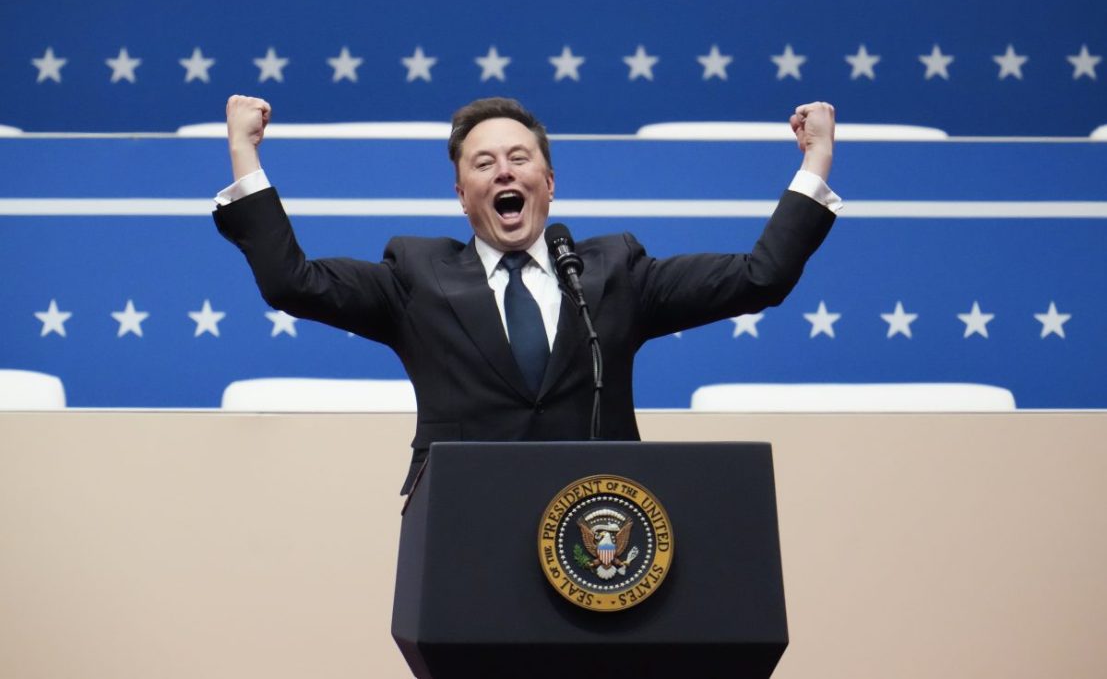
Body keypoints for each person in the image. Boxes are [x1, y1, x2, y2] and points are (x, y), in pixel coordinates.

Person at [214, 96, 841, 493]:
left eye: (519, 158)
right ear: (461, 195)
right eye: (483, 164)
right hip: (464, 525)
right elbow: (291, 281)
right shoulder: (415, 276)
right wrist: (244, 153)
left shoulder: (614, 270)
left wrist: (815, 161)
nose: (504, 171)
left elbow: (761, 277)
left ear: (548, 183)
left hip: (603, 525)